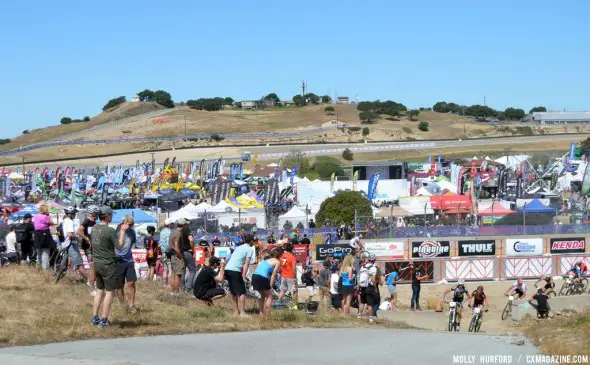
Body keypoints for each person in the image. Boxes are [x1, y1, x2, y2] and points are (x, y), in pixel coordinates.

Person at [91, 206, 129, 328]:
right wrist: (122, 231)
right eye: (111, 215)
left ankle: (95, 318)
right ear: (107, 215)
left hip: (97, 263)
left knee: (99, 290)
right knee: (110, 292)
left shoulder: (95, 228)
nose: (112, 216)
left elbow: (104, 238)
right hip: (108, 264)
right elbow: (120, 246)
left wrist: (117, 229)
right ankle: (104, 320)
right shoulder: (110, 231)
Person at [225, 233, 255, 317]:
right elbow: (246, 264)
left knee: (234, 292)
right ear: (252, 241)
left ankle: (235, 312)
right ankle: (242, 313)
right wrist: (244, 276)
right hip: (235, 270)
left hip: (228, 269)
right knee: (242, 292)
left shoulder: (239, 247)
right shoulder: (250, 249)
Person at [115, 216, 138, 314]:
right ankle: (122, 306)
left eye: (132, 224)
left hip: (129, 260)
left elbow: (132, 244)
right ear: (123, 223)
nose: (131, 226)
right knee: (119, 286)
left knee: (131, 283)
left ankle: (131, 305)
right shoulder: (116, 231)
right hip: (118, 260)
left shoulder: (132, 232)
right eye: (130, 224)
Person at [252, 248, 281, 319]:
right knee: (269, 296)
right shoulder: (277, 262)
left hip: (255, 276)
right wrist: (271, 285)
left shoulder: (266, 260)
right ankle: (268, 316)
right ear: (279, 255)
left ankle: (261, 313)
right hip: (262, 277)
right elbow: (274, 275)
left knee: (262, 295)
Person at [62, 206, 89, 283]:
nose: (75, 216)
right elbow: (70, 234)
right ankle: (89, 281)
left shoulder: (64, 221)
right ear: (71, 214)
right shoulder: (70, 221)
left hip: (65, 243)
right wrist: (78, 238)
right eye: (74, 214)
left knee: (66, 263)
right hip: (71, 244)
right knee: (79, 263)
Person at [77, 205, 99, 295]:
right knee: (92, 268)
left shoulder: (94, 222)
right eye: (97, 213)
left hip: (94, 247)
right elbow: (79, 231)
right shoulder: (87, 221)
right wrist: (87, 239)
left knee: (96, 268)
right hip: (88, 248)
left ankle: (95, 285)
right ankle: (92, 289)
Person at [275, 242, 298, 309]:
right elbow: (294, 267)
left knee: (283, 290)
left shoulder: (282, 256)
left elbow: (279, 265)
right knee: (294, 291)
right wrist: (295, 276)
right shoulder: (292, 257)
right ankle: (294, 305)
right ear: (292, 249)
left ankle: (278, 301)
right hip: (290, 276)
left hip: (283, 276)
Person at [33, 204, 56, 271]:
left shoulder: (36, 216)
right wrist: (48, 216)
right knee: (45, 253)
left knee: (39, 252)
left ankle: (38, 268)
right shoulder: (45, 216)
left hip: (37, 234)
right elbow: (52, 223)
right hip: (45, 234)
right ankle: (45, 270)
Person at [358, 254, 378, 322]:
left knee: (362, 302)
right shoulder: (373, 268)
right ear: (374, 260)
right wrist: (375, 288)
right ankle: (370, 318)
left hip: (362, 286)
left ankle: (359, 315)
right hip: (369, 287)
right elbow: (373, 279)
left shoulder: (363, 266)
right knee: (370, 303)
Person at [169, 219, 185, 296]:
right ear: (184, 225)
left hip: (172, 255)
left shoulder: (173, 232)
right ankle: (177, 293)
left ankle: (172, 292)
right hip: (176, 255)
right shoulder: (178, 233)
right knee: (178, 275)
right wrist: (179, 256)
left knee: (173, 274)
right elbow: (176, 244)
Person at [179, 220, 196, 292]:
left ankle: (182, 288)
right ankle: (188, 287)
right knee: (192, 270)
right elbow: (191, 240)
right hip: (187, 251)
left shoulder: (178, 231)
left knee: (182, 271)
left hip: (180, 252)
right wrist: (192, 249)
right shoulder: (187, 230)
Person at [158, 219, 174, 286]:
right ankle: (169, 285)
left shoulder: (162, 231)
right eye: (172, 224)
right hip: (168, 252)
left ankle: (165, 284)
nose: (173, 225)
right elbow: (168, 243)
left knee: (165, 268)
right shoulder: (169, 232)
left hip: (163, 252)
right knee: (170, 269)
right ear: (169, 224)